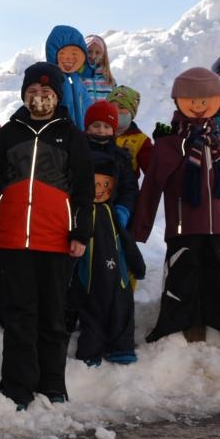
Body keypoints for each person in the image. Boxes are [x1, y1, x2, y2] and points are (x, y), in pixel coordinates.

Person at [0, 62, 94, 410]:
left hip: (55, 238)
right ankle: (17, 385)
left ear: (57, 96)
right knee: (19, 314)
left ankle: (53, 384)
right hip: (13, 238)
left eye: (46, 93)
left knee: (53, 314)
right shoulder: (11, 132)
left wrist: (79, 233)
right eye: (33, 93)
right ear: (25, 95)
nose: (39, 99)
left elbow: (84, 191)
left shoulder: (71, 135)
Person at [131, 67, 220, 348]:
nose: (198, 107)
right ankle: (178, 330)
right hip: (183, 228)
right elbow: (152, 187)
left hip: (216, 227)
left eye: (205, 100)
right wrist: (140, 229)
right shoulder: (171, 143)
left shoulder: (216, 141)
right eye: (192, 100)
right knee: (182, 280)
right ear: (178, 101)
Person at [70, 154, 146, 367]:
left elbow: (127, 241)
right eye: (94, 183)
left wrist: (137, 266)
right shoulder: (81, 213)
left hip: (118, 279)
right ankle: (90, 352)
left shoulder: (112, 213)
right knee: (92, 317)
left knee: (122, 312)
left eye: (106, 184)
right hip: (91, 279)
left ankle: (122, 348)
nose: (100, 188)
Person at [83, 100, 138, 227]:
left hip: (110, 217)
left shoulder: (121, 157)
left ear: (113, 130)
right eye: (96, 125)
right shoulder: (76, 152)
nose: (101, 131)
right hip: (80, 214)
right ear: (87, 127)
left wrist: (123, 210)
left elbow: (129, 188)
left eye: (107, 126)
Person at [44, 25, 91, 127]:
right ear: (53, 53)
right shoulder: (51, 82)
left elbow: (88, 109)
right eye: (63, 53)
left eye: (74, 54)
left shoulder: (79, 83)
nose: (69, 59)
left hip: (81, 137)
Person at [105, 85, 153, 182]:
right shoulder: (97, 132)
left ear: (132, 112)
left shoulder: (141, 141)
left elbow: (153, 173)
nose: (116, 111)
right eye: (111, 107)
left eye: (122, 107)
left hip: (125, 193)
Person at [81, 34, 116, 102]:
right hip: (85, 112)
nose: (93, 56)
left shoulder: (109, 80)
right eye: (89, 51)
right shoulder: (78, 76)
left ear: (103, 55)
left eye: (97, 53)